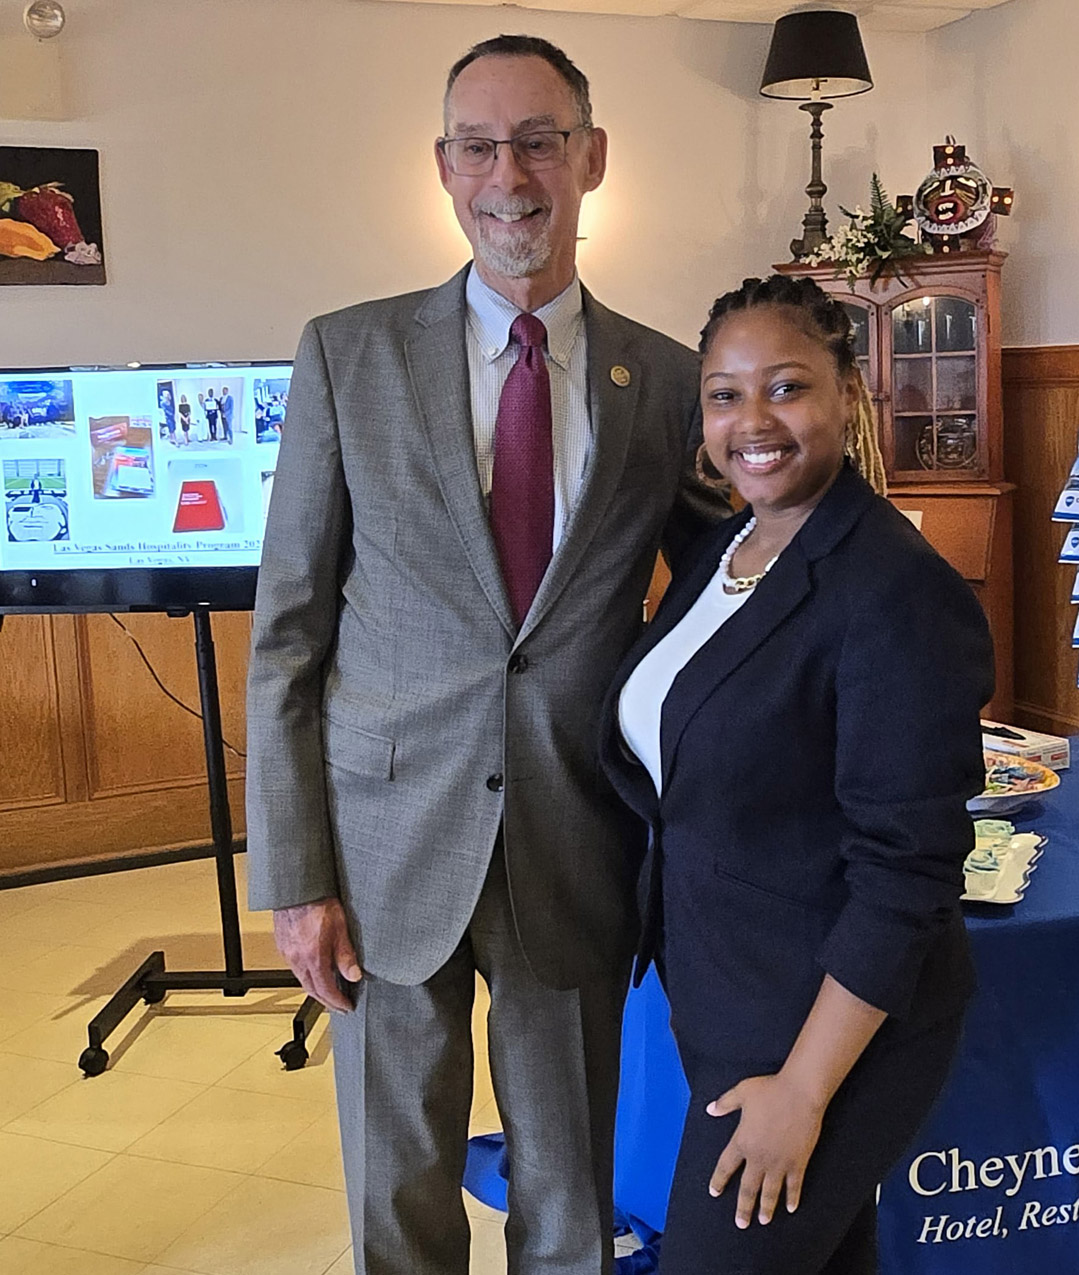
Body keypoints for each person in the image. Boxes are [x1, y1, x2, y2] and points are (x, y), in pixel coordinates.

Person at [245, 33, 726, 1275]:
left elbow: (737, 587)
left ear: (592, 159)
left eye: (539, 141)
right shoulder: (348, 357)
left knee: (570, 1189)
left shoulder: (668, 382)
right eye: (479, 145)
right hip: (383, 847)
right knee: (395, 1187)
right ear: (445, 168)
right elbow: (289, 632)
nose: (509, 174)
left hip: (573, 838)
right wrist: (294, 876)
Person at [601, 274, 994, 1275]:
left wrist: (804, 1093)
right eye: (725, 396)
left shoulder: (895, 591)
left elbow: (907, 871)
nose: (753, 423)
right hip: (731, 996)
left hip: (822, 1034)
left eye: (787, 387)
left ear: (850, 393)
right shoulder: (736, 542)